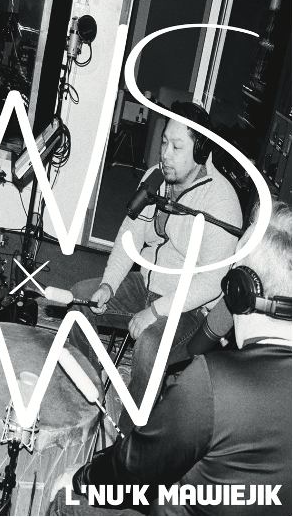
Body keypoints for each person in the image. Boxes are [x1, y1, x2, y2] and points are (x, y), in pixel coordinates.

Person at [49, 199, 292, 516]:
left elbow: (134, 473)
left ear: (238, 289)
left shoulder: (214, 383)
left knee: (65, 501)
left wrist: (81, 479)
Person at [68, 102, 242, 435]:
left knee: (149, 345)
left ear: (201, 150)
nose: (165, 154)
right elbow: (129, 236)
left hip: (188, 307)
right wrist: (108, 284)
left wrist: (156, 311)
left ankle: (128, 440)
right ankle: (89, 394)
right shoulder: (156, 178)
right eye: (164, 142)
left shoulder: (221, 202)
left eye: (177, 147)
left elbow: (213, 281)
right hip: (146, 283)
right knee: (80, 300)